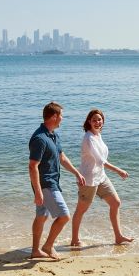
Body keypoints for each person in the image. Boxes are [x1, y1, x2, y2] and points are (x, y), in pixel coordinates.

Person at [29, 102, 85, 260]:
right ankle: (48, 246)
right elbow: (33, 166)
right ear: (54, 116)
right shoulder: (39, 138)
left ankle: (35, 251)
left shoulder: (52, 134)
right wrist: (38, 192)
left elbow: (61, 157)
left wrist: (76, 173)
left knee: (42, 216)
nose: (62, 118)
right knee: (64, 216)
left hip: (52, 181)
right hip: (46, 184)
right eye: (61, 115)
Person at [71, 108, 134, 246]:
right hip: (88, 179)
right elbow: (100, 161)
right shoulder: (88, 138)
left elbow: (101, 161)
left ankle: (118, 237)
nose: (97, 122)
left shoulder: (97, 135)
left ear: (103, 121)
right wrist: (118, 170)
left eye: (99, 120)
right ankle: (74, 240)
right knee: (81, 210)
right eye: (94, 120)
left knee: (115, 203)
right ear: (89, 122)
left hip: (101, 177)